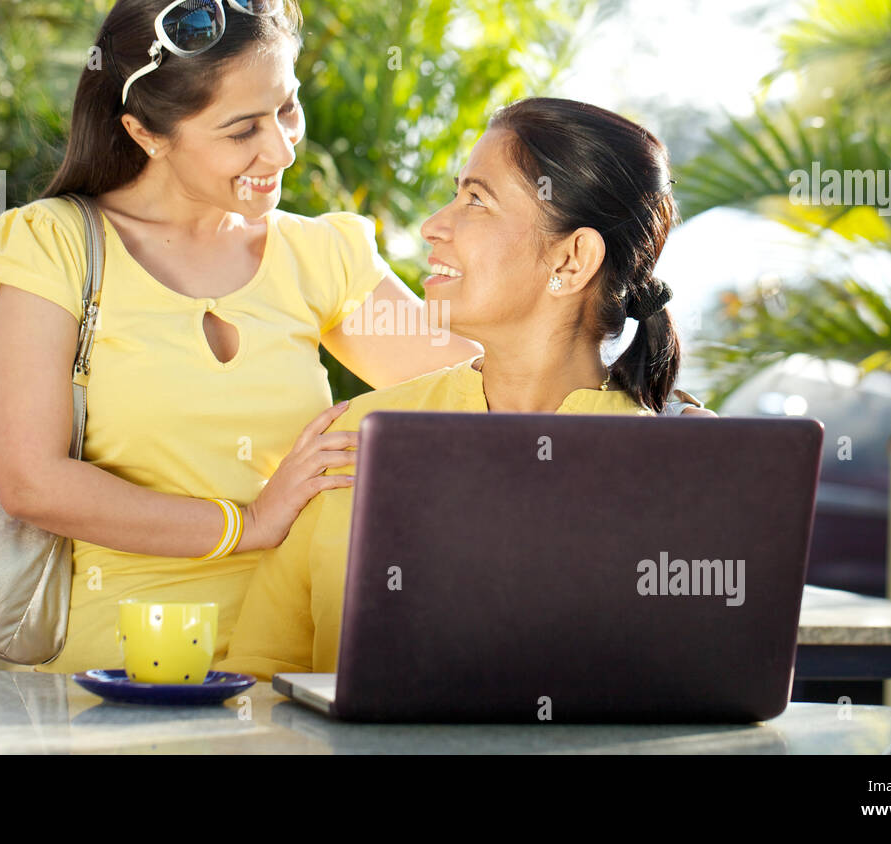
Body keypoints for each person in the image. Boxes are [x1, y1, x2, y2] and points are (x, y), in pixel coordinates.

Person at [0, 0, 480, 673]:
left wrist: (645, 390)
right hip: (125, 682)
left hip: (304, 672)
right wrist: (250, 524)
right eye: (242, 129)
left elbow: (482, 391)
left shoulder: (321, 253)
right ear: (146, 133)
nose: (280, 149)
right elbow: (31, 481)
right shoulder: (53, 243)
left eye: (287, 109)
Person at [217, 97, 714, 679]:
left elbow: (696, 690)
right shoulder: (355, 438)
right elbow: (262, 666)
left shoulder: (677, 469)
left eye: (477, 200)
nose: (434, 225)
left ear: (573, 259)